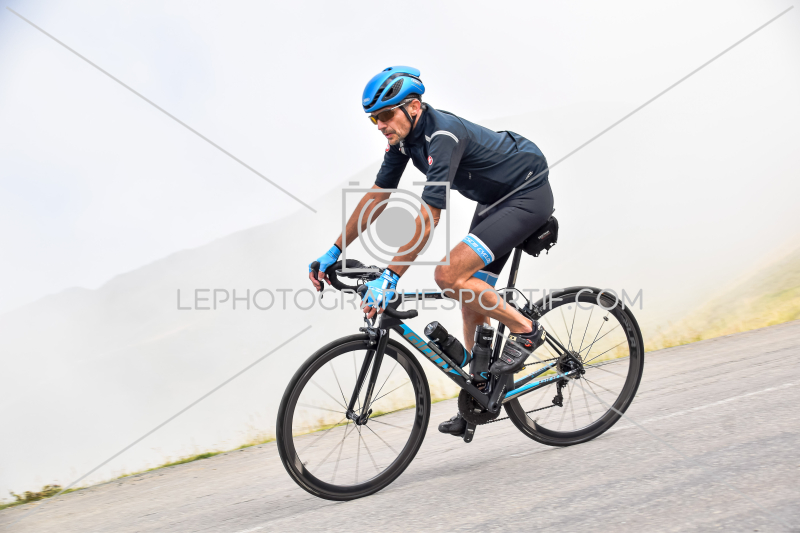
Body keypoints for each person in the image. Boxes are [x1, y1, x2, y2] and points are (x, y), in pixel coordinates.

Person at [309, 66, 553, 437]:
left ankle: (526, 330)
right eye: (374, 118)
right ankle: (481, 393)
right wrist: (334, 250)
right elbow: (378, 196)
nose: (380, 125)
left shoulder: (442, 135)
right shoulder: (403, 142)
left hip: (526, 192)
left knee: (448, 275)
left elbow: (429, 216)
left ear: (413, 107)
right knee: (469, 296)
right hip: (494, 199)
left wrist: (390, 276)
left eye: (385, 114)